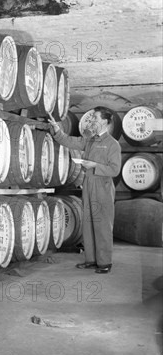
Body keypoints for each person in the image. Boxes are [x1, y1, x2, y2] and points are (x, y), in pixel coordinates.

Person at [47, 107, 121, 274]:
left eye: (95, 118)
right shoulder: (90, 139)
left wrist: (94, 165)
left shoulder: (112, 144)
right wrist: (58, 130)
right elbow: (70, 141)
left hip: (103, 186)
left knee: (102, 224)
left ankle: (104, 262)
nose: (92, 120)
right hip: (88, 183)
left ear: (104, 121)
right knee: (88, 222)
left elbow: (115, 170)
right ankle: (91, 260)